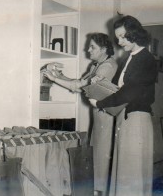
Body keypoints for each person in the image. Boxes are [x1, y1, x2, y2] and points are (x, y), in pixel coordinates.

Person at [89, 15, 158, 196]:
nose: (119, 42)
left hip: (136, 120)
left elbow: (129, 92)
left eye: (122, 37)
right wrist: (99, 82)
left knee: (131, 174)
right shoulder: (130, 58)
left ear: (134, 34)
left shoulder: (146, 59)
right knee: (125, 173)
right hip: (125, 119)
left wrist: (100, 103)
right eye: (117, 37)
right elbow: (118, 89)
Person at [43, 33, 117, 196]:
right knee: (97, 156)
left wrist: (54, 78)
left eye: (92, 47)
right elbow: (78, 83)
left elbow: (82, 87)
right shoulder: (96, 66)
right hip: (99, 117)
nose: (88, 50)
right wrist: (57, 75)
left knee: (103, 158)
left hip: (108, 117)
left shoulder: (108, 67)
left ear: (104, 49)